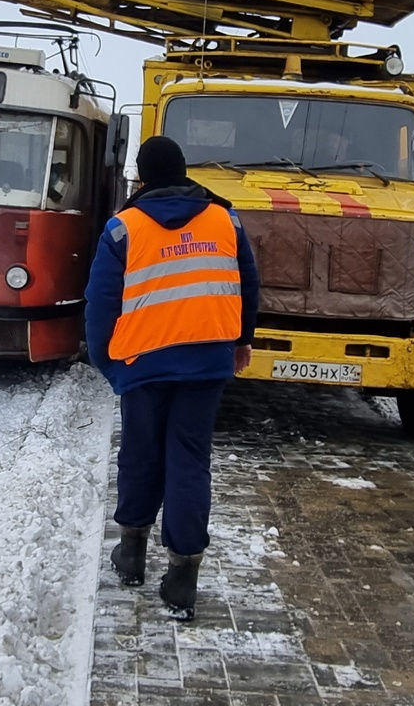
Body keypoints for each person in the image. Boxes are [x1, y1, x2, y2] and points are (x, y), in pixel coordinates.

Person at [84, 136, 260, 621]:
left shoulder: (123, 229)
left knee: (141, 453)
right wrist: (241, 339)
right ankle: (183, 575)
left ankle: (132, 553)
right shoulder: (226, 220)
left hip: (142, 364)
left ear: (142, 179)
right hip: (206, 364)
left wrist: (108, 363)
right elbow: (248, 282)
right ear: (184, 172)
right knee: (189, 460)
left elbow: (99, 305)